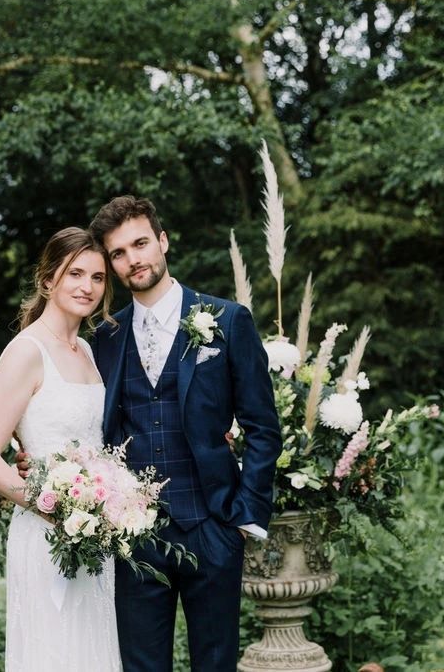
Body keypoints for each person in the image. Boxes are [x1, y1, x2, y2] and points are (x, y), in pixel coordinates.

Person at [89, 196, 281, 671]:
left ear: (163, 241)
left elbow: (262, 427)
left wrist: (244, 515)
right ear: (112, 265)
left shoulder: (227, 320)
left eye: (140, 243)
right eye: (118, 253)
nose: (133, 259)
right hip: (134, 538)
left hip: (213, 526)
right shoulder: (105, 338)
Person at [0, 227, 122, 671]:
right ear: (48, 279)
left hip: (95, 535)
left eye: (97, 278)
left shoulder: (89, 351)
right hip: (47, 530)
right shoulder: (26, 351)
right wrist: (48, 506)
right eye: (75, 274)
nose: (86, 287)